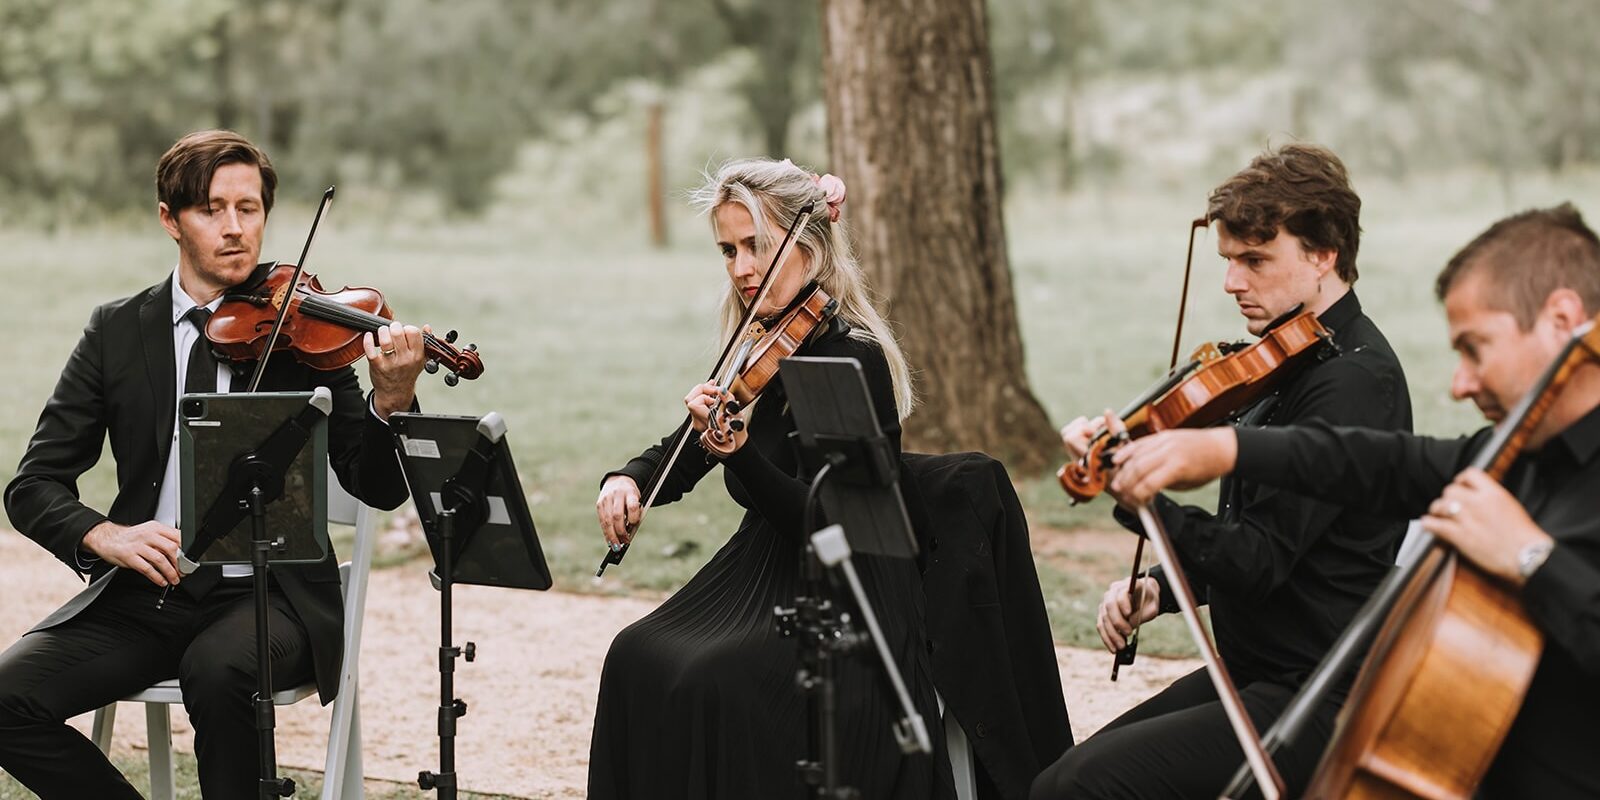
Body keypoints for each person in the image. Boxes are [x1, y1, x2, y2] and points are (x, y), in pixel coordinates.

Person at [1103, 203, 1600, 797]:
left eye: (1475, 348)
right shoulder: (1515, 456)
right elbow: (1373, 462)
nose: (1459, 383)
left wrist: (1529, 560)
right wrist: (1222, 450)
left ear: (1561, 318)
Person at [0, 129, 423, 798]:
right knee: (6, 698)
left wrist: (390, 402)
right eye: (211, 209)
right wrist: (107, 536)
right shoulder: (116, 331)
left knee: (219, 670)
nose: (234, 228)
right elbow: (32, 485)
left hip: (271, 594)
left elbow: (375, 484)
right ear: (170, 219)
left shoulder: (306, 327)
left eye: (248, 208)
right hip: (148, 596)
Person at [1031, 143, 1413, 799]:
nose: (1233, 283)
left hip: (1318, 694)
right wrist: (1160, 588)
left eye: (1255, 260)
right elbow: (1274, 539)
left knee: (1078, 789)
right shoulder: (1287, 361)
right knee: (1066, 776)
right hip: (1258, 672)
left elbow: (1260, 559)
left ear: (1323, 254)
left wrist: (1140, 494)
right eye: (1228, 261)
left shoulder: (1351, 386)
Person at [588, 157, 954, 799]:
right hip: (762, 566)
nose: (741, 267)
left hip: (846, 581)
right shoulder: (762, 343)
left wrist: (742, 453)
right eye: (728, 250)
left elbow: (829, 518)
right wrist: (631, 479)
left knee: (711, 678)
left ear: (808, 244)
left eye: (756, 245)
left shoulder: (851, 358)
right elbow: (688, 448)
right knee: (634, 654)